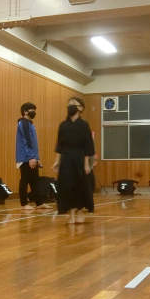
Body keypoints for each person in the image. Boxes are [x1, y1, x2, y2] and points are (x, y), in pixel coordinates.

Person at [53, 96, 95, 224]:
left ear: (80, 108)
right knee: (67, 186)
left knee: (80, 186)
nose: (70, 106)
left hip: (80, 158)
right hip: (66, 159)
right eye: (69, 104)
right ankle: (71, 213)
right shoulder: (63, 125)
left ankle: (80, 211)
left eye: (73, 104)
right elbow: (59, 145)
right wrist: (57, 161)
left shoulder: (84, 125)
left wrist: (87, 163)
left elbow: (88, 145)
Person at [15, 102, 49, 211]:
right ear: (25, 112)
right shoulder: (23, 123)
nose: (34, 112)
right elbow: (27, 141)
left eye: (35, 110)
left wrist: (37, 158)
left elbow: (34, 143)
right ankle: (24, 204)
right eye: (32, 110)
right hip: (25, 158)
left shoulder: (30, 124)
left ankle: (39, 203)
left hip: (32, 157)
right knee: (24, 180)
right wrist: (31, 157)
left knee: (35, 181)